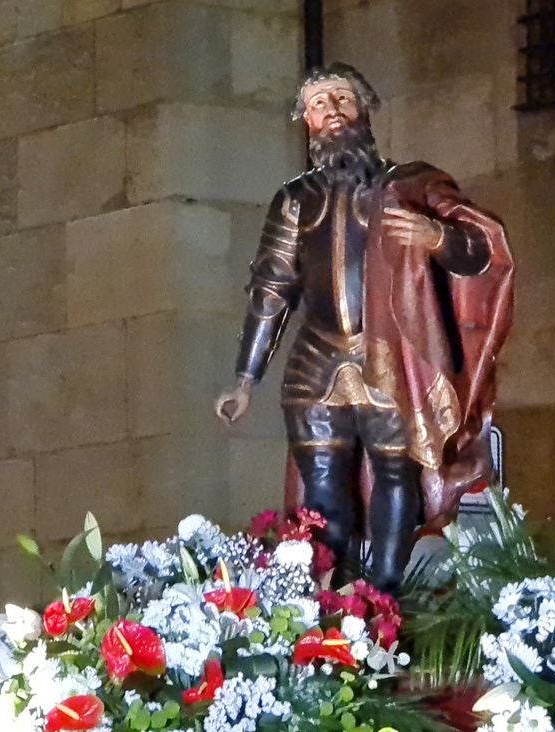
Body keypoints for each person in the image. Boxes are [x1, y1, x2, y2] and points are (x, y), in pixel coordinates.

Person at [215, 63, 514, 592]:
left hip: (389, 353)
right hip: (316, 358)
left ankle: (386, 596)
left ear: (364, 107)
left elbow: (480, 251)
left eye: (341, 99)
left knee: (396, 475)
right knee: (322, 488)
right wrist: (245, 379)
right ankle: (330, 604)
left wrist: (436, 237)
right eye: (317, 104)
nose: (331, 111)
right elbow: (272, 289)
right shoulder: (295, 201)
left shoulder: (412, 185)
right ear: (305, 121)